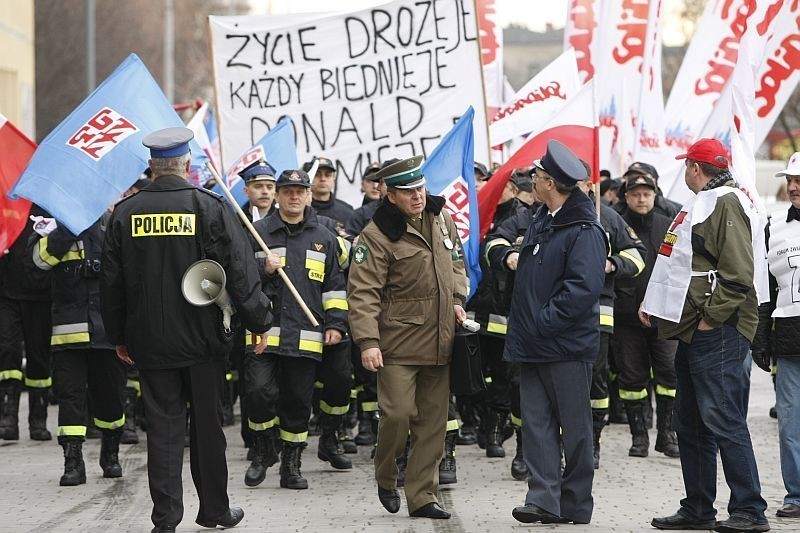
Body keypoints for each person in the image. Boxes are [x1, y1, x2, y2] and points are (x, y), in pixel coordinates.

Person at [101, 127, 273, 533]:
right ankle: (214, 511)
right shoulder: (209, 207)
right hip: (205, 340)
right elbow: (241, 270)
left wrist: (119, 337)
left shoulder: (126, 213)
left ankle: (165, 519)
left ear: (152, 168)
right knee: (208, 428)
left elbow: (110, 284)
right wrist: (259, 322)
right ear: (185, 166)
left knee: (163, 429)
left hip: (150, 342)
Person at [641, 138, 769, 533]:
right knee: (691, 420)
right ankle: (698, 507)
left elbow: (737, 273)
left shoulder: (725, 202)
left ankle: (750, 510)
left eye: (686, 167)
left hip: (718, 329)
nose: (685, 173)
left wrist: (711, 319)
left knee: (722, 417)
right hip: (694, 328)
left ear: (696, 168)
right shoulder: (710, 200)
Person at [348, 155, 468, 519]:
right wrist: (368, 342)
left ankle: (422, 496)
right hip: (397, 343)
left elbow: (458, 264)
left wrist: (458, 300)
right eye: (407, 191)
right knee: (397, 415)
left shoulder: (442, 219)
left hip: (441, 339)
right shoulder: (376, 235)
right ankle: (386, 476)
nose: (417, 196)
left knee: (433, 424)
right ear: (389, 194)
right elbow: (363, 292)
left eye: (419, 188)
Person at [503, 140, 607, 525]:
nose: (533, 180)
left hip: (564, 346)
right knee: (537, 425)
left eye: (538, 176)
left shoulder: (583, 228)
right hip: (533, 345)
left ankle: (575, 503)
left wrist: (544, 322)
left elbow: (582, 288)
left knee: (576, 429)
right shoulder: (542, 219)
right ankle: (543, 499)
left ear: (550, 183)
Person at [244, 168, 350, 490]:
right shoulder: (256, 232)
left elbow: (334, 287)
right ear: (277, 196)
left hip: (306, 335)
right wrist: (261, 269)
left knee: (297, 401)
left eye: (299, 191)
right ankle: (263, 450)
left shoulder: (324, 238)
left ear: (307, 196)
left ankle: (291, 463)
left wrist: (335, 325)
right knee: (258, 393)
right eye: (287, 191)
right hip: (262, 333)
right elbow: (239, 282)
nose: (293, 196)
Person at [33, 211, 127, 485]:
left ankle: (110, 452)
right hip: (68, 334)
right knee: (70, 398)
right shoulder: (54, 227)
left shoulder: (114, 225)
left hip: (107, 333)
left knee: (111, 398)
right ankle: (73, 460)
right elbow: (38, 262)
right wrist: (69, 227)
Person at [576, 168, 646, 469]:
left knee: (597, 379)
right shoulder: (546, 216)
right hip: (558, 314)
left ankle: (593, 442)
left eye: (579, 182)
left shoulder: (605, 217)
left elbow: (637, 256)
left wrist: (611, 264)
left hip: (597, 312)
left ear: (590, 185)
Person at [613, 174, 679, 459]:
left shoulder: (669, 227)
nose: (642, 199)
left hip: (663, 317)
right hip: (627, 317)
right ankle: (638, 436)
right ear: (625, 197)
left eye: (647, 194)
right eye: (636, 194)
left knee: (670, 377)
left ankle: (666, 434)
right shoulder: (617, 225)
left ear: (655, 196)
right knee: (631, 380)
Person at [752, 152, 800, 520]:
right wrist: (759, 336)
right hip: (789, 339)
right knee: (790, 422)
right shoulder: (775, 226)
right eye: (791, 179)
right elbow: (766, 289)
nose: (794, 186)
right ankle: (796, 496)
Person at [0, 205, 53, 442]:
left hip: (40, 295)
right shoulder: (6, 203)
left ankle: (38, 421)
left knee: (39, 358)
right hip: (7, 293)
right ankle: (7, 419)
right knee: (7, 353)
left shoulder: (48, 204)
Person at [614, 162, 681, 219]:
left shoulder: (670, 210)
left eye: (642, 177)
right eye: (631, 177)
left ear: (654, 181)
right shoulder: (615, 210)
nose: (636, 181)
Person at [304, 156, 354, 228]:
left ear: (334, 178)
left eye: (328, 175)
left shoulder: (347, 211)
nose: (323, 179)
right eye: (317, 175)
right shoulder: (300, 210)